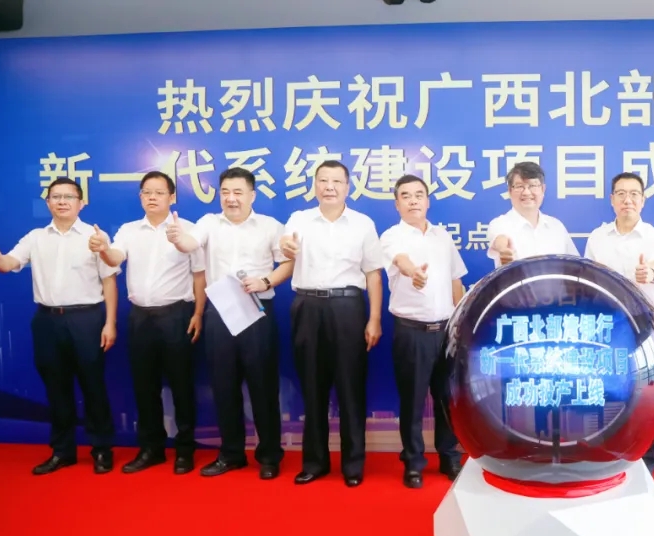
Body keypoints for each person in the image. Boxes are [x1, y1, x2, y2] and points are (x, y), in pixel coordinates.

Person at [0, 176, 120, 475]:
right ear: (47, 202)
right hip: (47, 321)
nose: (62, 202)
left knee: (93, 386)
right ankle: (62, 451)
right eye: (56, 196)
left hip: (86, 319)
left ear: (81, 203)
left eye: (69, 197)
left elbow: (109, 281)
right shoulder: (36, 237)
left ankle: (101, 449)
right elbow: (10, 263)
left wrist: (110, 323)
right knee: (56, 389)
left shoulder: (95, 236)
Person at [169, 167, 293, 480]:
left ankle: (269, 456)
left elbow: (288, 263)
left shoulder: (269, 226)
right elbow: (190, 243)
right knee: (223, 385)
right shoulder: (209, 222)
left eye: (238, 192)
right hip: (220, 310)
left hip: (257, 309)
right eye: (225, 192)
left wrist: (266, 281)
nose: (231, 198)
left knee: (263, 386)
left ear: (252, 195)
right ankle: (231, 454)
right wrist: (178, 239)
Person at [93, 171, 206, 475]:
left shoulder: (188, 230)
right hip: (140, 317)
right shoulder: (129, 230)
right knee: (145, 386)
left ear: (172, 197)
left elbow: (199, 276)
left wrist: (198, 313)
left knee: (182, 386)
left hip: (177, 315)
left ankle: (185, 450)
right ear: (140, 197)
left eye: (159, 192)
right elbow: (115, 258)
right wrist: (103, 248)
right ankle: (151, 449)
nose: (152, 197)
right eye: (146, 192)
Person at [280, 160, 383, 488]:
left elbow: (373, 273)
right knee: (312, 387)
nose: (329, 187)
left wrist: (374, 318)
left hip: (347, 307)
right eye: (323, 180)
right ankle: (315, 462)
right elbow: (286, 248)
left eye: (336, 181)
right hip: (307, 306)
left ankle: (353, 465)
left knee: (351, 387)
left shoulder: (363, 224)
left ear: (348, 187)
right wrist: (286, 247)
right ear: (314, 185)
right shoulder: (298, 220)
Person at [379, 174, 466, 488]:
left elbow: (456, 279)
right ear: (397, 204)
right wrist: (414, 273)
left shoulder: (443, 236)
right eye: (406, 196)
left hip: (446, 331)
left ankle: (450, 456)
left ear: (428, 201)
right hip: (411, 332)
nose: (413, 200)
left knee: (448, 399)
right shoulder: (392, 236)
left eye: (419, 195)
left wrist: (460, 321)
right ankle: (414, 462)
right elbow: (401, 260)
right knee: (413, 400)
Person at [583, 172, 654, 473]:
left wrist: (649, 273)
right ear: (612, 199)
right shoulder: (597, 237)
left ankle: (648, 460)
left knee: (647, 392)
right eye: (621, 193)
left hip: (644, 321)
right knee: (609, 391)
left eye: (634, 194)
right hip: (607, 324)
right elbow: (589, 277)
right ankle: (608, 454)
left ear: (642, 200)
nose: (627, 200)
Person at [486, 161, 579, 267]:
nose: (526, 192)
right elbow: (500, 240)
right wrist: (503, 250)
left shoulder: (557, 226)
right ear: (510, 191)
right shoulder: (500, 223)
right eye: (519, 186)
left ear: (543, 189)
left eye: (533, 186)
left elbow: (575, 266)